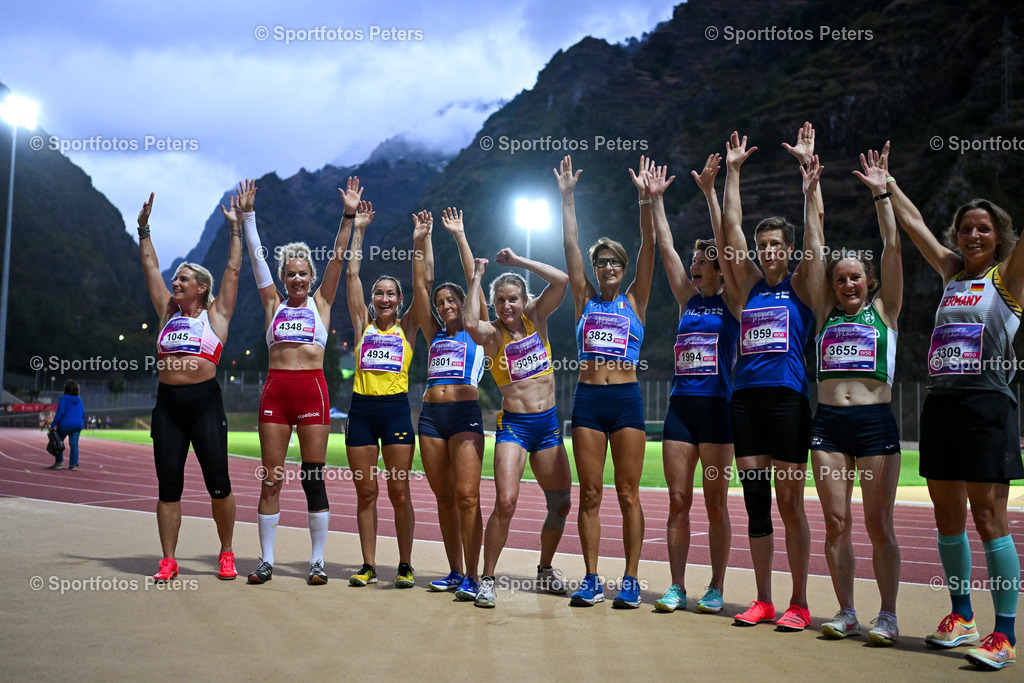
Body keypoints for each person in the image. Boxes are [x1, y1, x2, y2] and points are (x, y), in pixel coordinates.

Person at [883, 142, 1022, 670]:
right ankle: (962, 616)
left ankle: (1004, 633)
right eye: (966, 229)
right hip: (941, 404)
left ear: (999, 236)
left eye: (983, 229)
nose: (973, 236)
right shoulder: (950, 272)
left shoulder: (1008, 279)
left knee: (988, 516)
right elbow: (914, 223)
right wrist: (887, 184)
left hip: (987, 405)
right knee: (947, 516)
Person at [718, 124, 825, 631]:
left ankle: (798, 602)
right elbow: (730, 230)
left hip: (787, 401)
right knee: (757, 502)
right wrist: (733, 173)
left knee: (789, 502)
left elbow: (817, 238)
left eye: (776, 244)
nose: (767, 251)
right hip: (746, 402)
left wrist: (809, 181)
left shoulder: (802, 287)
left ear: (789, 248)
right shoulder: (748, 289)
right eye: (762, 245)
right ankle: (762, 599)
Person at [243, 177, 360, 586]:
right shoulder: (271, 303)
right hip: (276, 394)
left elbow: (338, 257)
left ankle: (316, 562)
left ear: (311, 276)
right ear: (282, 276)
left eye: (303, 274)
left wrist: (348, 215)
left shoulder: (321, 302)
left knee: (313, 477)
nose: (297, 280)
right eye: (290, 274)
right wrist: (248, 216)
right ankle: (266, 560)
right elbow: (256, 259)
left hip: (312, 393)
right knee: (271, 478)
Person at [811, 148, 902, 645]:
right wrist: (810, 189)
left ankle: (886, 615)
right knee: (836, 521)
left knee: (878, 523)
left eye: (855, 277)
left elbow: (893, 248)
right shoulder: (824, 312)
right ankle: (846, 611)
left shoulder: (885, 310)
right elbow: (815, 244)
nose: (847, 283)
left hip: (874, 425)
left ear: (869, 282)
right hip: (828, 425)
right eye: (840, 278)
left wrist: (881, 194)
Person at [556, 154, 655, 608]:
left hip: (627, 401)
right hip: (589, 402)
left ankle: (631, 580)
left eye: (615, 261)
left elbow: (650, 247)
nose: (608, 267)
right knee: (591, 493)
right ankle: (592, 578)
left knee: (629, 493)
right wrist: (567, 197)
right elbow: (570, 246)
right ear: (595, 269)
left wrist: (645, 201)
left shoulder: (636, 300)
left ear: (623, 267)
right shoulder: (584, 300)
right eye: (602, 263)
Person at [649, 156, 740, 614]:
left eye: (704, 262)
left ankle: (716, 587)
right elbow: (665, 248)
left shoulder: (734, 304)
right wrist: (655, 201)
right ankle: (676, 586)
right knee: (678, 500)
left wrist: (711, 193)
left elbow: (727, 244)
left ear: (721, 271)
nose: (695, 266)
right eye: (694, 262)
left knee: (716, 504)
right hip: (681, 410)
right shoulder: (687, 300)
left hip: (718, 410)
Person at [137, 187, 243, 582]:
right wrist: (144, 230)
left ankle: (226, 552)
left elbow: (232, 270)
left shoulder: (216, 316)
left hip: (205, 405)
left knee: (219, 483)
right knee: (168, 486)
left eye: (183, 279)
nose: (175, 282)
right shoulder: (167, 313)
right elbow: (151, 267)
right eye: (175, 278)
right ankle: (168, 559)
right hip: (168, 406)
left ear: (201, 287)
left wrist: (236, 228)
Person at [464, 252, 573, 608]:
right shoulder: (493, 334)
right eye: (500, 301)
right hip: (516, 427)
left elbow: (561, 280)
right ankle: (487, 579)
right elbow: (470, 324)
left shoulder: (536, 318)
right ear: (493, 305)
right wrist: (477, 277)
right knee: (506, 502)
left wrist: (519, 261)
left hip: (548, 425)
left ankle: (545, 569)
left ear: (524, 301)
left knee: (561, 504)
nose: (507, 306)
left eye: (513, 299)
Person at [344, 195, 424, 590]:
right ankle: (369, 565)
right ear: (373, 300)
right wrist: (358, 230)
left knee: (399, 491)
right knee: (366, 492)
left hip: (395, 411)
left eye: (391, 294)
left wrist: (419, 241)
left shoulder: (407, 328)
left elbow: (423, 285)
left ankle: (405, 564)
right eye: (380, 293)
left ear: (400, 300)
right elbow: (351, 275)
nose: (385, 299)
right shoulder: (363, 323)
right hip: (361, 411)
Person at [414, 208, 487, 601]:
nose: (444, 306)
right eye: (440, 302)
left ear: (464, 301)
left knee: (467, 496)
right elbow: (420, 286)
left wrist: (459, 235)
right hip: (430, 417)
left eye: (451, 300)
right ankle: (456, 571)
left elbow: (473, 276)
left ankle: (475, 575)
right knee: (444, 498)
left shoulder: (476, 330)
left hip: (463, 416)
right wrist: (421, 240)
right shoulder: (434, 334)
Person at [48, 380, 85, 470]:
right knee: (74, 445)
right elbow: (83, 413)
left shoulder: (63, 399)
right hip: (77, 425)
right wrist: (81, 423)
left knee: (57, 442)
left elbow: (60, 413)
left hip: (65, 425)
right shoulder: (79, 400)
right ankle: (74, 464)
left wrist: (53, 425)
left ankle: (59, 462)